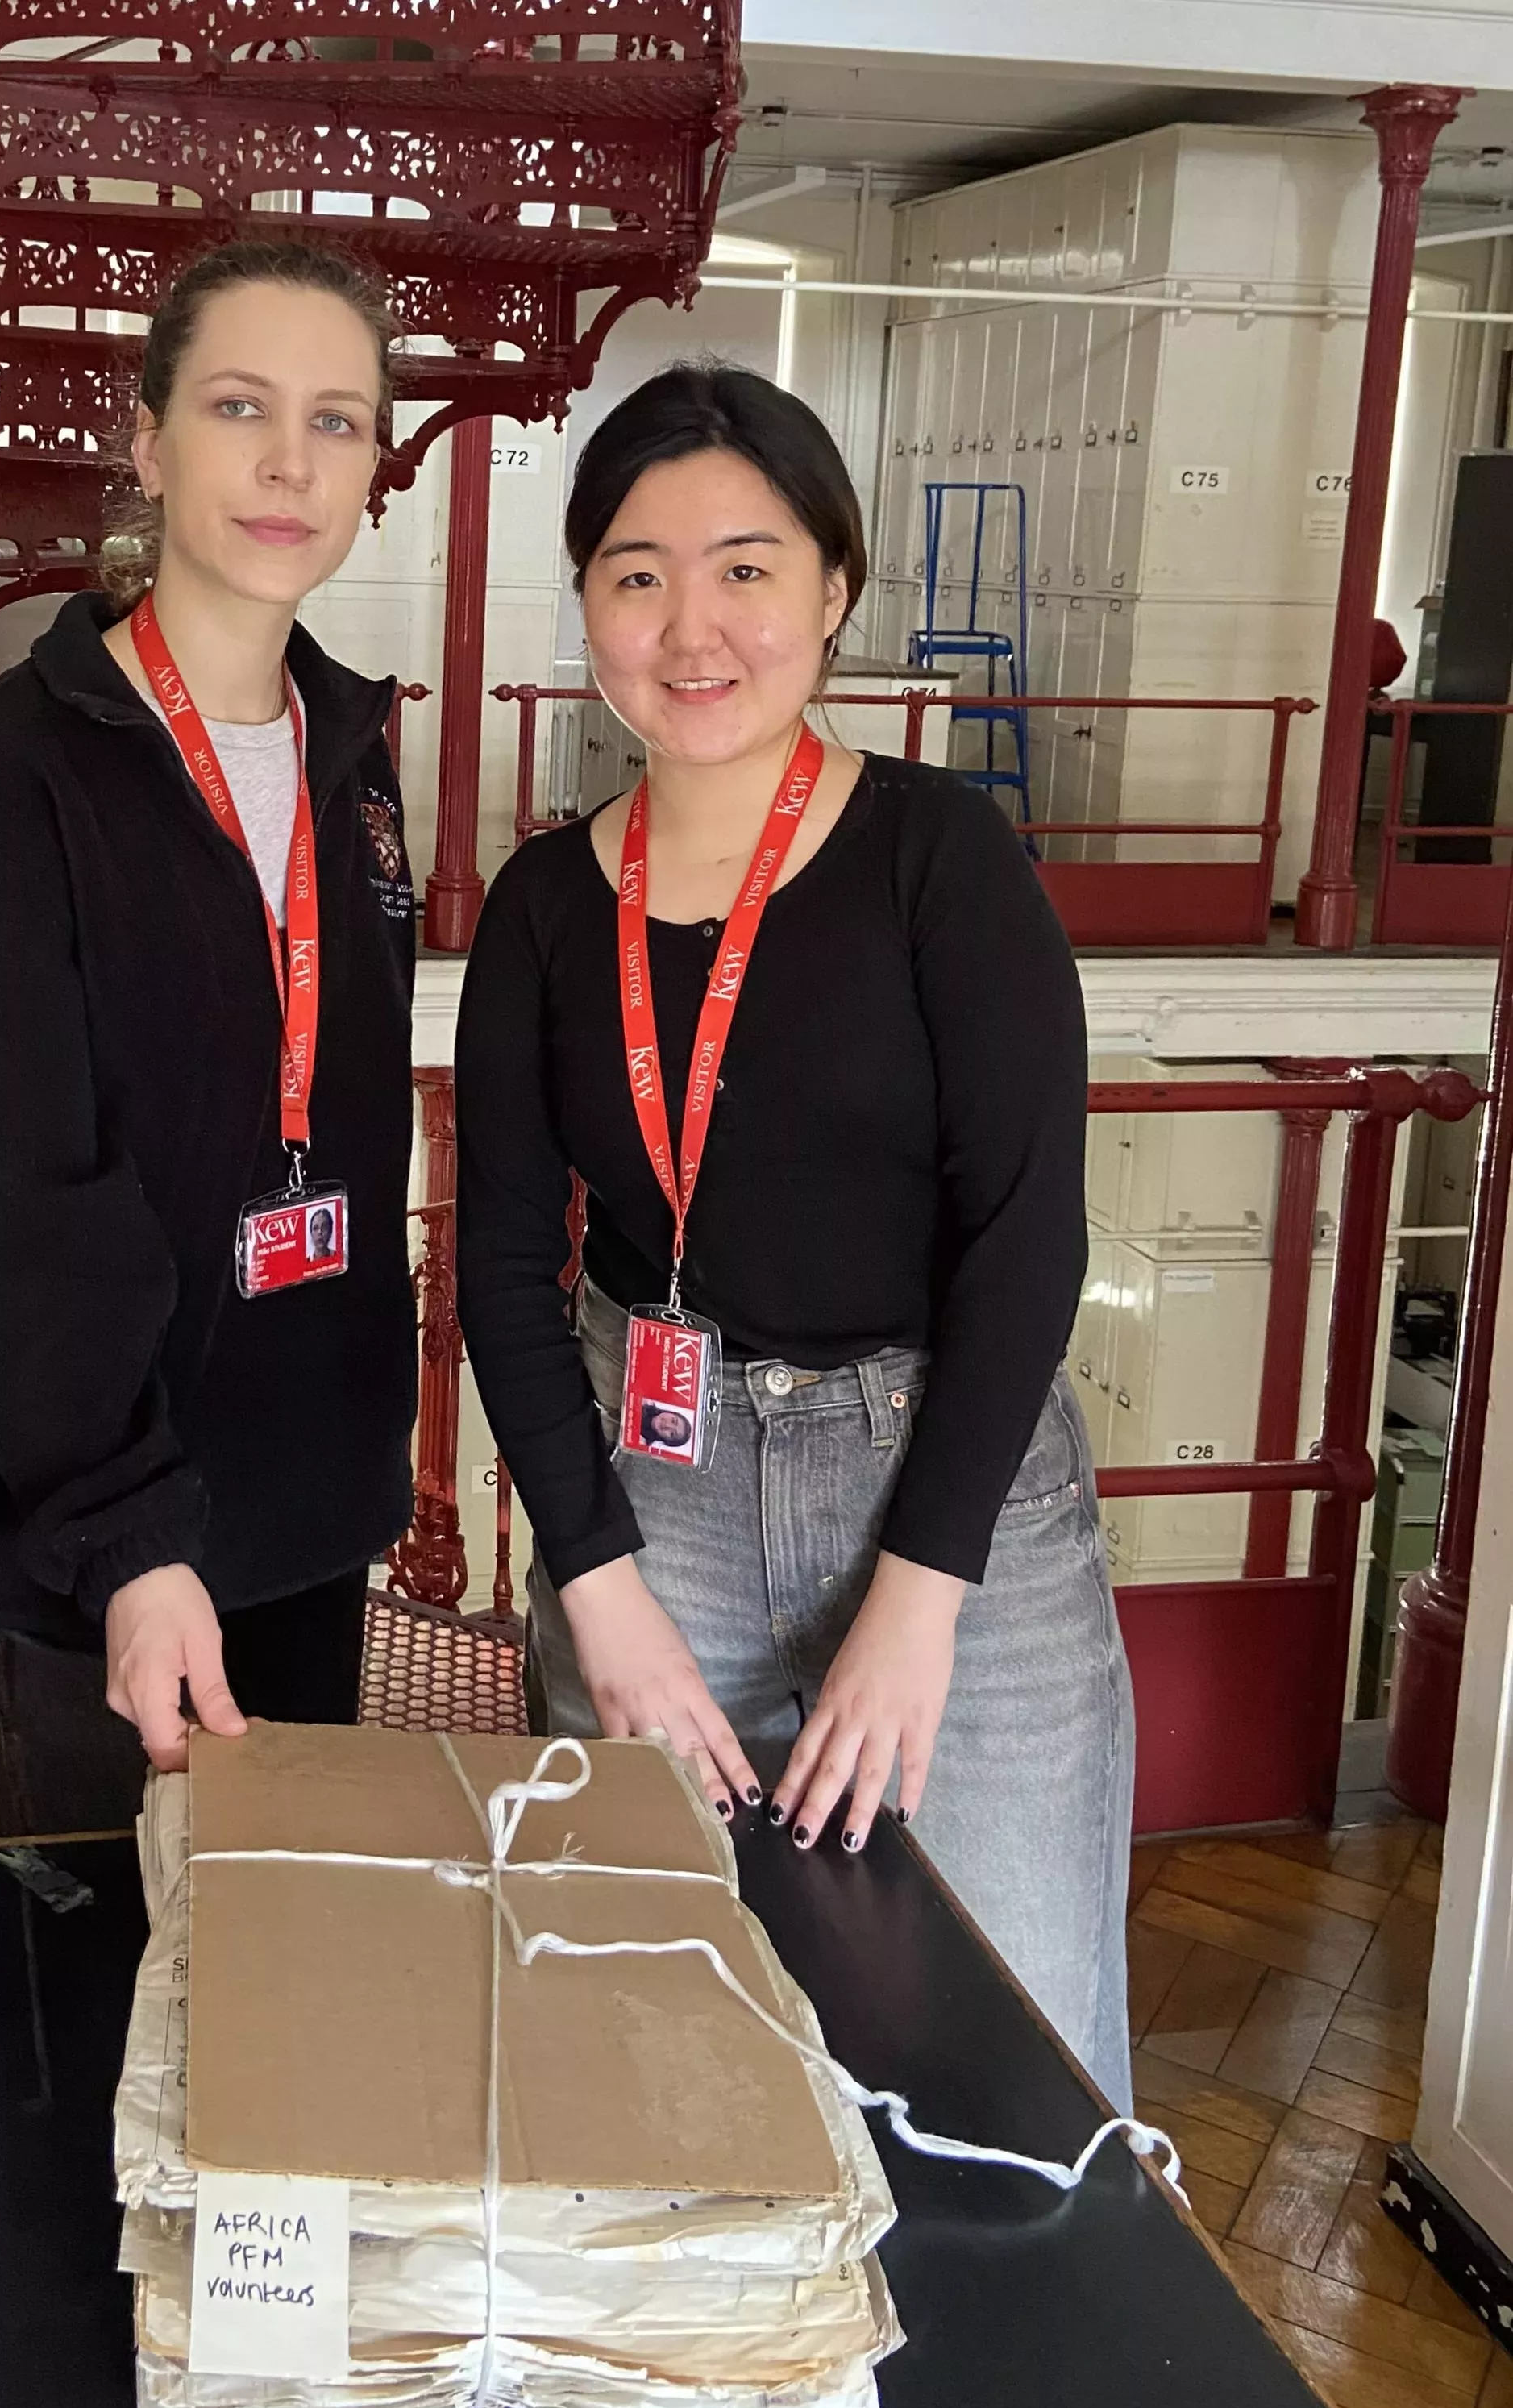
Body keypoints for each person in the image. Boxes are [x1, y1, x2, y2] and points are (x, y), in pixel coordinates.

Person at [454, 361, 1134, 2106]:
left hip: (949, 1505)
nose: (694, 623)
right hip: (651, 1501)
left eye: (748, 566)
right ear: (591, 604)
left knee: (1021, 2061)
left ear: (834, 591)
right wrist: (594, 1586)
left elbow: (1022, 1243)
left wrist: (922, 1598)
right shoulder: (545, 908)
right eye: (637, 571)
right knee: (661, 2047)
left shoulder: (943, 864)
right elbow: (505, 1275)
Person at [0, 240, 418, 1834]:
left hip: (305, 1500)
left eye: (336, 420)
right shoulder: (13, 788)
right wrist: (127, 1535)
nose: (285, 461)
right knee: (93, 2004)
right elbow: (20, 1202)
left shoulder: (352, 756)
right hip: (88, 1535)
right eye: (239, 405)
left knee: (285, 1964)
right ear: (147, 438)